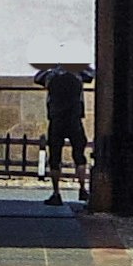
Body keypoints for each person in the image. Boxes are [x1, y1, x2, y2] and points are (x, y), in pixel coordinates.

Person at [31, 61, 92, 205]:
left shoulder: (50, 74)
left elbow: (37, 77)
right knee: (79, 154)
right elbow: (91, 75)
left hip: (57, 118)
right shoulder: (78, 73)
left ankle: (56, 193)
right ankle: (83, 188)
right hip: (74, 118)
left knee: (55, 157)